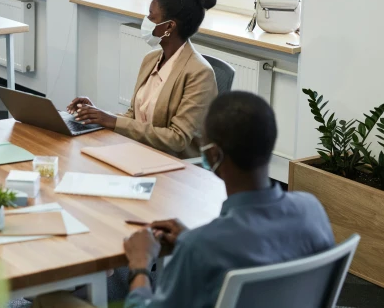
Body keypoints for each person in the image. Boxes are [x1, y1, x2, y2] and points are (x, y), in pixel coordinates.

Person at [121, 91, 335, 307]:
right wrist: (192, 239)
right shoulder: (312, 211)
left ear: (214, 155)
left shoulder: (200, 249)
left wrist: (140, 266)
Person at [67, 0, 219, 158]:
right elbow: (133, 117)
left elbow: (177, 139)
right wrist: (96, 114)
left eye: (151, 16)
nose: (146, 21)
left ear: (169, 26)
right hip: (139, 151)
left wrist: (111, 121)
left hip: (173, 165)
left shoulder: (199, 73)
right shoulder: (151, 59)